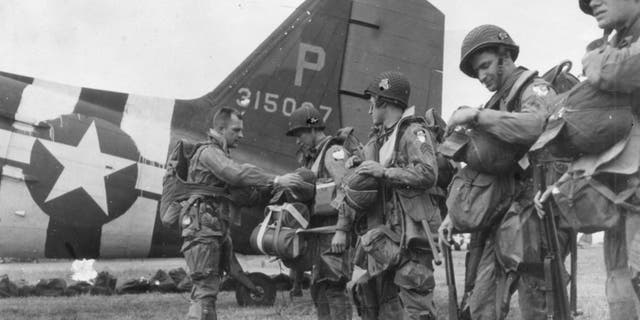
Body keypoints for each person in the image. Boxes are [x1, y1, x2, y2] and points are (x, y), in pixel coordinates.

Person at [438, 25, 569, 319]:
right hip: (501, 215)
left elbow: (536, 125)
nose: (482, 76)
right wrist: (452, 215)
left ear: (505, 55)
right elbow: (480, 166)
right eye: (477, 71)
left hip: (536, 214)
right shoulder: (495, 104)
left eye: (485, 66)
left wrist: (476, 115)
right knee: (480, 303)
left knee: (536, 303)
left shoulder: (535, 90)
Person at [536, 1, 640, 318]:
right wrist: (563, 183)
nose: (594, 2)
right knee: (619, 283)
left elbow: (615, 70)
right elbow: (607, 132)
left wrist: (596, 57)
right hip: (626, 195)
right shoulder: (617, 47)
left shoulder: (609, 57)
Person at [181, 107, 303, 320]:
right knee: (204, 293)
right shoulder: (209, 153)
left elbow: (240, 195)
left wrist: (271, 191)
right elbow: (236, 175)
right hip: (204, 231)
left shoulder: (218, 155)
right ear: (220, 129)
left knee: (206, 293)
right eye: (236, 130)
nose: (241, 135)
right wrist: (275, 179)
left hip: (213, 229)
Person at [337, 71, 440, 320]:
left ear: (384, 101)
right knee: (381, 303)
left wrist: (384, 172)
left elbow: (428, 173)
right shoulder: (382, 138)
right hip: (386, 234)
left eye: (372, 100)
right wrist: (361, 163)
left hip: (410, 234)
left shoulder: (413, 132)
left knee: (416, 305)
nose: (369, 108)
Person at [285, 105, 354, 320]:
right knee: (319, 288)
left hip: (333, 234)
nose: (298, 140)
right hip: (321, 234)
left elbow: (347, 188)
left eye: (300, 133)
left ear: (313, 129)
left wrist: (342, 230)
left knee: (334, 289)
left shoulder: (334, 153)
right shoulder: (314, 157)